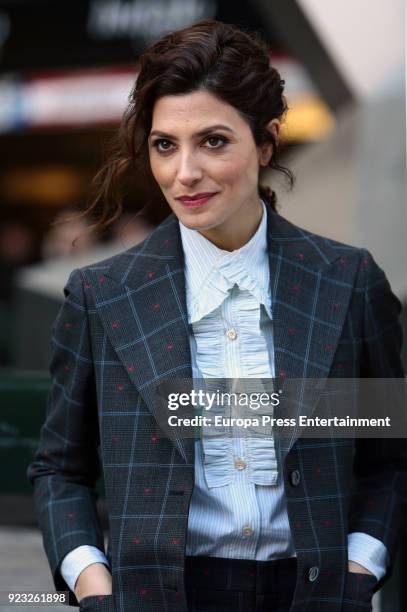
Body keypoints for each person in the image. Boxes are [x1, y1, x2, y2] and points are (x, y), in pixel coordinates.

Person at [27, 20, 406, 612]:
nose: (184, 173)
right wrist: (93, 585)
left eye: (213, 141)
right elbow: (60, 469)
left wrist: (359, 570)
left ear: (267, 142)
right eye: (164, 145)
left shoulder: (346, 282)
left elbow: (390, 459)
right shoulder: (102, 295)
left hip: (313, 595)